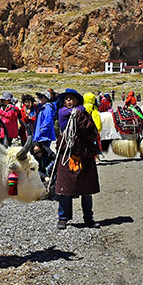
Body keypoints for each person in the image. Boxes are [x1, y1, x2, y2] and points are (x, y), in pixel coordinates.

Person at [54, 88, 100, 229]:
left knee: (86, 189)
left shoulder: (83, 113)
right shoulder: (64, 112)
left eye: (71, 99)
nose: (69, 101)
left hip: (84, 153)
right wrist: (80, 111)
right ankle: (63, 217)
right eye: (66, 99)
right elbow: (68, 115)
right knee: (64, 187)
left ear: (77, 100)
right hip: (67, 153)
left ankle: (88, 218)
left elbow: (91, 132)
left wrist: (80, 113)